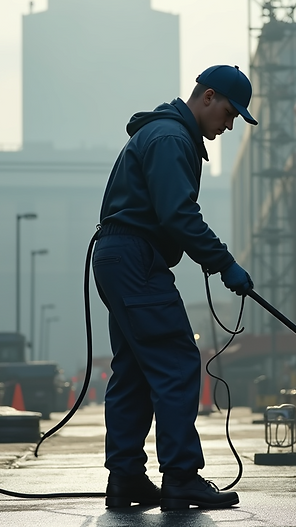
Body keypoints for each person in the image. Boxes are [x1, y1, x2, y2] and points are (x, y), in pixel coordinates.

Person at [92, 65, 256, 510]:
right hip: (134, 256)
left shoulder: (166, 135)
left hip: (120, 255)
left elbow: (169, 215)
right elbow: (177, 215)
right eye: (228, 112)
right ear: (207, 97)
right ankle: (181, 476)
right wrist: (224, 264)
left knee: (134, 371)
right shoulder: (171, 139)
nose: (228, 124)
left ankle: (125, 478)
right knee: (177, 360)